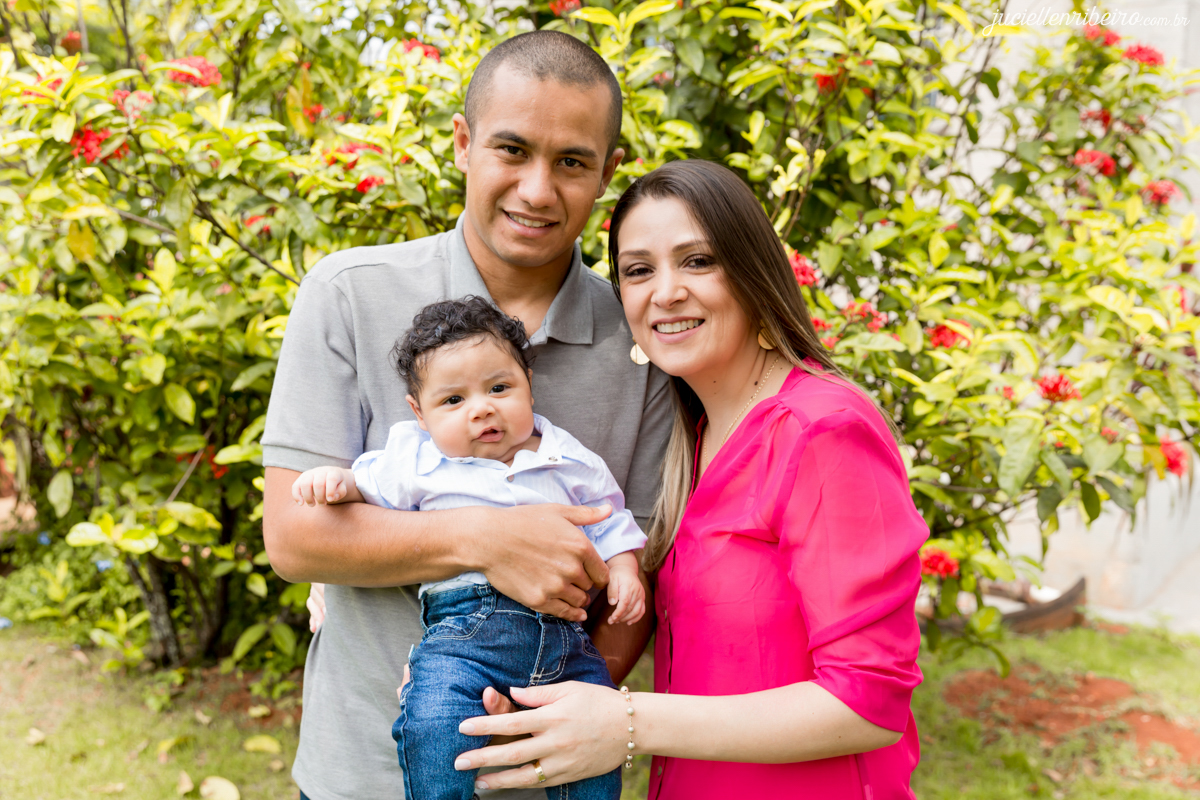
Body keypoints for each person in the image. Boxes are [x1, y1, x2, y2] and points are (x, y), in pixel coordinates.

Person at [261, 30, 671, 800]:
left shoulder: (641, 340)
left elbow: (638, 569)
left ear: (608, 173)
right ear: (462, 142)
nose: (537, 190)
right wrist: (485, 538)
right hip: (363, 774)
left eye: (572, 162)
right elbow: (293, 535)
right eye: (512, 150)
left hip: (550, 770)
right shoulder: (347, 294)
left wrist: (551, 714)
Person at [449, 160, 928, 800]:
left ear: (752, 272)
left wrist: (627, 722)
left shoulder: (821, 430)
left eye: (697, 261)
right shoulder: (695, 438)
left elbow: (867, 703)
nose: (666, 292)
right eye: (638, 270)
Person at [291, 297, 645, 800]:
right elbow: (365, 487)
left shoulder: (568, 457)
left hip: (566, 641)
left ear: (528, 384)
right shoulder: (418, 461)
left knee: (593, 742)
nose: (481, 409)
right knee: (433, 720)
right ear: (420, 414)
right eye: (453, 400)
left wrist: (624, 569)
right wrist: (332, 481)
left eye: (499, 388)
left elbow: (609, 520)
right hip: (462, 635)